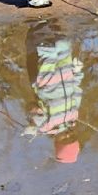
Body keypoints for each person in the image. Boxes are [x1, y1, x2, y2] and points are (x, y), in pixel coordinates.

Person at [26, 23, 85, 163]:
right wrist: (77, 72)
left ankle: (38, 26)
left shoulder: (46, 127)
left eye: (64, 139)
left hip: (47, 82)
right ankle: (55, 26)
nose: (67, 135)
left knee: (45, 55)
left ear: (56, 142)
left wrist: (33, 121)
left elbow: (32, 109)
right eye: (72, 137)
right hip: (66, 74)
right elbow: (76, 91)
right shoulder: (73, 118)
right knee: (63, 45)